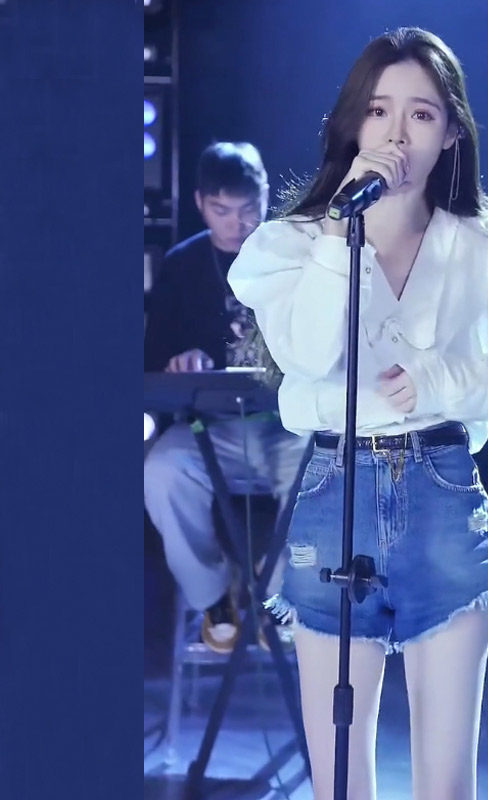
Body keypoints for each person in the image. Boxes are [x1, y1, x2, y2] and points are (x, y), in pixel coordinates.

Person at [229, 28, 488, 800]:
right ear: (353, 124)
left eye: (421, 114)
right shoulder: (292, 245)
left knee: (445, 788)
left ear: (451, 133)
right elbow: (309, 353)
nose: (396, 135)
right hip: (333, 494)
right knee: (339, 784)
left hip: (440, 493)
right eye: (379, 111)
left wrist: (444, 379)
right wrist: (343, 235)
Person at [144, 142, 309, 653]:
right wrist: (180, 360)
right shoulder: (183, 264)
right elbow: (153, 360)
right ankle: (213, 597)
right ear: (200, 203)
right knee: (162, 470)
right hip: (208, 430)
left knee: (327, 473)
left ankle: (280, 594)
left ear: (266, 196)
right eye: (221, 210)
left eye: (248, 209)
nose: (237, 223)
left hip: (287, 426)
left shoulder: (295, 259)